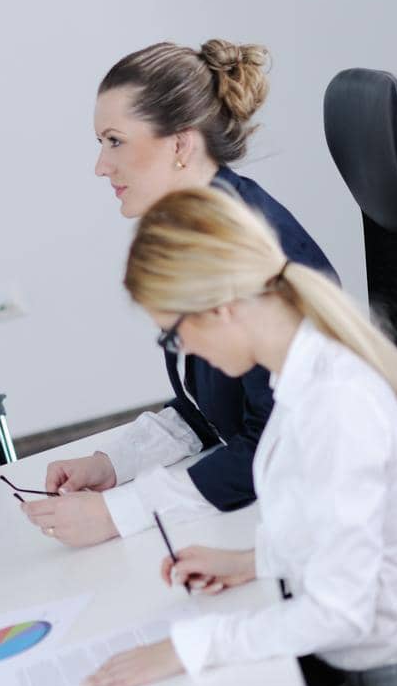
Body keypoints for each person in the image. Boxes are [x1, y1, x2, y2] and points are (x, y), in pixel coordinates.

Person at [80, 187, 397, 686]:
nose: (186, 354)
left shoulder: (335, 406)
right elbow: (343, 527)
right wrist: (257, 559)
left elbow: (341, 611)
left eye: (174, 336)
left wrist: (191, 648)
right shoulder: (298, 375)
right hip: (368, 661)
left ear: (220, 308)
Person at [22, 40, 333, 547]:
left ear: (180, 145)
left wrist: (118, 514)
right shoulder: (205, 226)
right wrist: (113, 465)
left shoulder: (246, 254)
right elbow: (215, 402)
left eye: (115, 141)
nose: (101, 166)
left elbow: (281, 442)